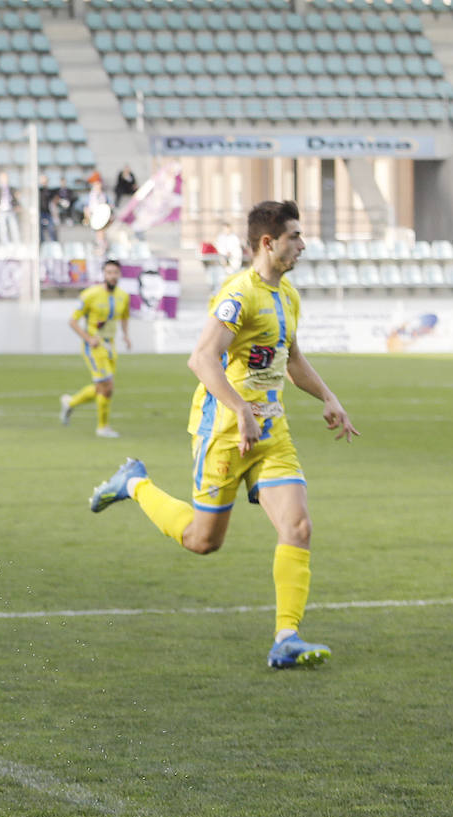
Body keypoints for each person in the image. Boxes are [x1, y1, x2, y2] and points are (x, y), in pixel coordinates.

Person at [88, 200, 359, 669]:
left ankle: (286, 637)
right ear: (268, 243)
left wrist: (329, 397)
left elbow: (290, 359)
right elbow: (201, 358)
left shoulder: (288, 296)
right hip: (225, 433)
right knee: (202, 540)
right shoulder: (239, 294)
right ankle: (133, 482)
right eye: (294, 236)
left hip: (271, 431)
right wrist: (239, 409)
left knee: (298, 527)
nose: (303, 244)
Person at [59, 258, 129, 439]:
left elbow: (124, 317)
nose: (112, 276)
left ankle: (70, 403)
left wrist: (126, 335)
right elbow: (72, 321)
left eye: (115, 273)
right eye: (109, 273)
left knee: (103, 388)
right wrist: (88, 339)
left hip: (111, 346)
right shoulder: (90, 294)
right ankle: (102, 427)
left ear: (119, 275)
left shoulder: (123, 296)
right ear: (104, 275)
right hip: (95, 346)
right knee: (107, 386)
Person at [0, 171, 20, 245]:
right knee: (3, 229)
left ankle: (17, 243)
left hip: (11, 210)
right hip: (2, 211)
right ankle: (5, 244)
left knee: (14, 227)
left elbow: (16, 199)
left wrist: (17, 206)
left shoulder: (12, 189)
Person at [38, 173, 59, 244]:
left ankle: (54, 243)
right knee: (39, 229)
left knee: (51, 228)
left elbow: (55, 200)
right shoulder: (38, 191)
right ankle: (41, 243)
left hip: (48, 212)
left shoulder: (49, 191)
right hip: (40, 212)